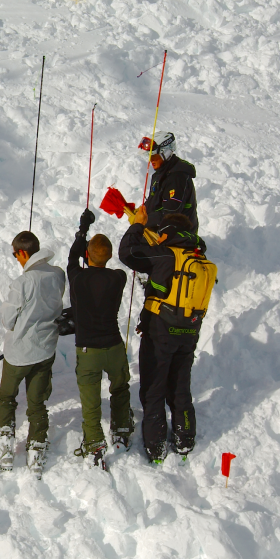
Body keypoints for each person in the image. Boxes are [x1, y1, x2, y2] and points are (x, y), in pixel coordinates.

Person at [116, 211, 207, 464]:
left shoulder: (165, 255)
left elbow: (127, 253)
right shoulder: (198, 257)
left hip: (161, 332)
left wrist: (137, 226)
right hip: (189, 332)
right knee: (180, 386)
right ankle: (185, 439)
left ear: (167, 233)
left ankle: (156, 446)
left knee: (154, 388)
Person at [0, 231, 66, 476]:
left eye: (15, 255)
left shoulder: (22, 283)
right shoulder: (58, 274)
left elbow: (8, 320)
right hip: (45, 349)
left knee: (6, 398)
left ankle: (4, 449)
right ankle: (36, 451)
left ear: (22, 252)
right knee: (37, 402)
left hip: (19, 353)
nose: (16, 259)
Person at [68, 209, 133, 463]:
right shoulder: (118, 278)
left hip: (88, 351)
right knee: (120, 388)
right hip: (114, 346)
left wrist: (82, 230)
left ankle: (95, 443)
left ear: (88, 255)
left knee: (91, 400)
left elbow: (72, 258)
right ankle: (122, 429)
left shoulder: (77, 278)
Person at [135, 132, 197, 232]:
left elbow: (171, 213)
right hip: (159, 230)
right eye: (149, 156)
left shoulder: (177, 177)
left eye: (154, 155)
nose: (151, 159)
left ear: (166, 153)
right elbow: (155, 201)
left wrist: (145, 220)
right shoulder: (161, 173)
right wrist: (142, 210)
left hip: (177, 235)